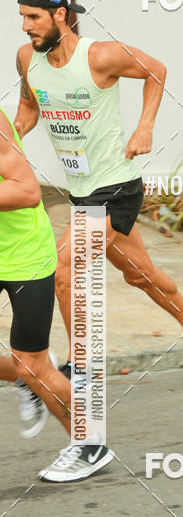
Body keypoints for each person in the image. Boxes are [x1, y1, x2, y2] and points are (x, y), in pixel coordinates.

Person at [14, 0, 183, 383]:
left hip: (115, 188)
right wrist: (9, 142)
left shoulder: (100, 57)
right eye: (22, 17)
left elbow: (156, 71)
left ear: (61, 15)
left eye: (34, 17)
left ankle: (82, 366)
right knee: (139, 273)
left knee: (63, 268)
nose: (25, 26)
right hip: (82, 190)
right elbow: (28, 109)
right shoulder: (26, 58)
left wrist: (145, 127)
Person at [0, 107, 112, 482]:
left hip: (24, 257)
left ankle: (90, 443)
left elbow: (28, 190)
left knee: (32, 362)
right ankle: (23, 378)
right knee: (25, 368)